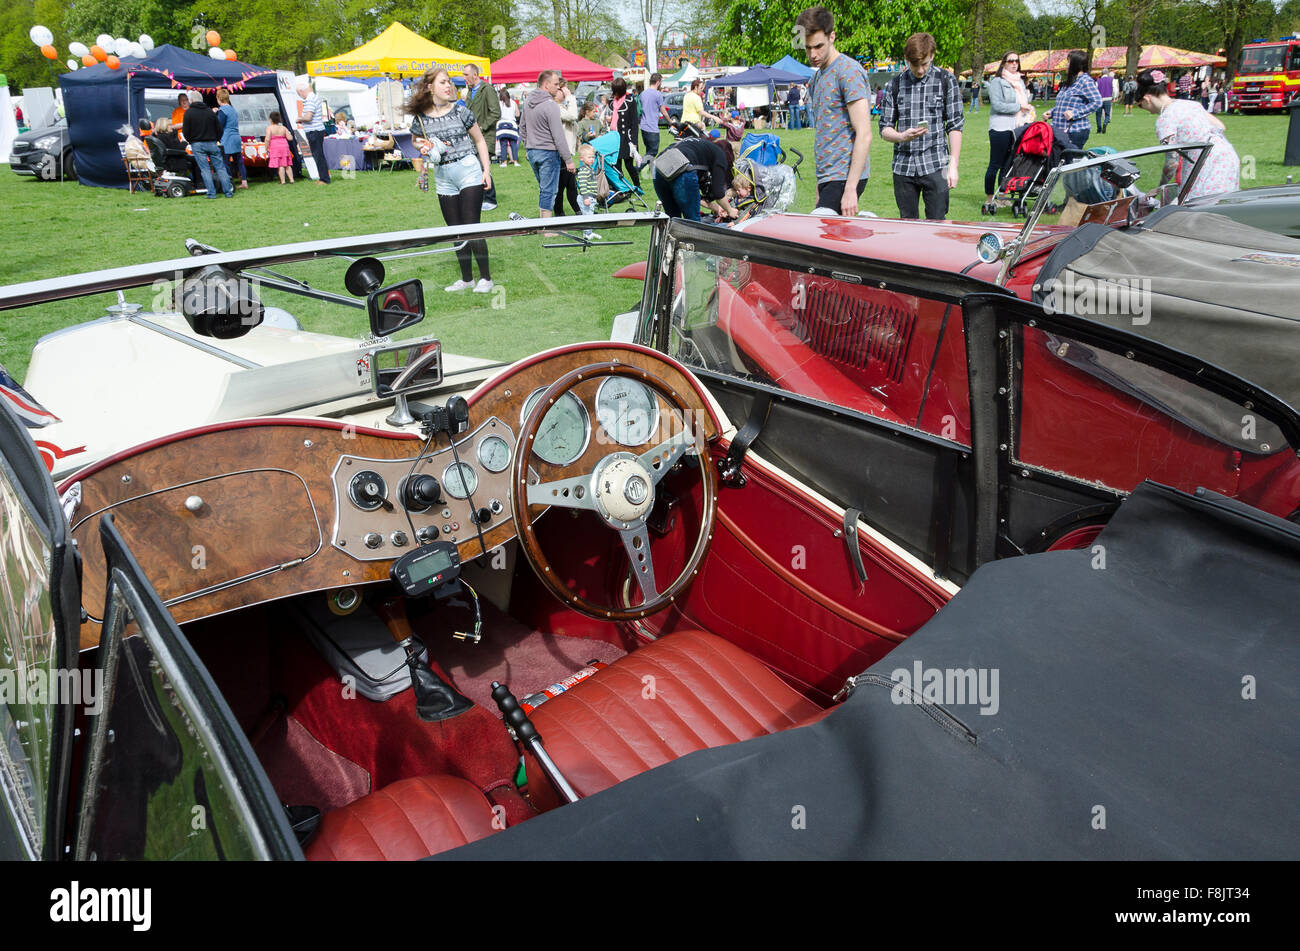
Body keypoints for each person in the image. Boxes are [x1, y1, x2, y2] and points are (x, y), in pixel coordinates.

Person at [407, 67, 494, 293]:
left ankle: (486, 278)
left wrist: (486, 170)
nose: (449, 86)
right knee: (454, 230)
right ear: (430, 88)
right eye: (443, 82)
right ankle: (467, 279)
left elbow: (480, 141)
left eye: (449, 82)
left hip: (468, 171)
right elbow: (415, 140)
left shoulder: (461, 111)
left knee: (471, 227)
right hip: (443, 176)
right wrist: (424, 145)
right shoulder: (421, 118)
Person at [796, 6, 872, 216]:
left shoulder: (848, 71)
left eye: (818, 46)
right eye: (807, 48)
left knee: (820, 239)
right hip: (829, 177)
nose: (813, 54)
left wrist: (850, 188)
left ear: (832, 37)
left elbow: (864, 134)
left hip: (845, 177)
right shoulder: (817, 77)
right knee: (829, 238)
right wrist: (822, 187)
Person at [879, 32, 963, 220]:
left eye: (924, 64)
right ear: (906, 59)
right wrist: (901, 136)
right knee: (908, 228)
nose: (919, 70)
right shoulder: (895, 85)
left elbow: (955, 126)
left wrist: (953, 165)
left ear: (932, 55)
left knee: (937, 226)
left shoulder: (946, 81)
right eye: (914, 64)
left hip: (936, 164)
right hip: (903, 167)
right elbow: (884, 128)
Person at [1134, 68, 1239, 201]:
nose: (1148, 111)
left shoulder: (1165, 119)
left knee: (1198, 205)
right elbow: (1220, 126)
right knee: (1223, 204)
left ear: (1147, 99)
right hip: (1227, 154)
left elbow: (1172, 162)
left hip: (1206, 162)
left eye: (1142, 106)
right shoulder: (1190, 104)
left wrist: (1161, 187)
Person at [519, 70, 574, 226]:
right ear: (546, 84)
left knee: (544, 189)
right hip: (548, 153)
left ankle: (543, 222)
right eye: (556, 84)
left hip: (533, 152)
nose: (558, 88)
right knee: (549, 191)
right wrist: (568, 160)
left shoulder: (528, 101)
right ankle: (547, 229)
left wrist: (528, 145)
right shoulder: (551, 106)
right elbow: (558, 136)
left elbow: (522, 127)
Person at [983, 51, 1035, 215]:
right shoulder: (997, 82)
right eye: (1010, 61)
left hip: (1016, 128)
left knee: (1009, 164)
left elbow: (1024, 101)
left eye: (1016, 61)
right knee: (995, 164)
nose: (1014, 64)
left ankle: (1003, 195)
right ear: (1003, 63)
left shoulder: (1019, 81)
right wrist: (1019, 107)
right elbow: (997, 105)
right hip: (1000, 127)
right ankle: (990, 197)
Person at [653, 137, 739, 221]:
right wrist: (730, 211)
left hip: (659, 169)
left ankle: (669, 235)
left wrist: (717, 208)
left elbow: (695, 196)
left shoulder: (700, 147)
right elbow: (718, 194)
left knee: (673, 219)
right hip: (683, 169)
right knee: (693, 222)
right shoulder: (720, 154)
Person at [462, 63, 500, 210]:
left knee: (482, 167)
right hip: (471, 137)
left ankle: (490, 199)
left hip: (484, 136)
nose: (464, 77)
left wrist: (482, 127)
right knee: (475, 167)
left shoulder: (487, 89)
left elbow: (496, 112)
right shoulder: (471, 91)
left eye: (466, 74)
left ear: (475, 74)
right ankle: (480, 197)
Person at [182, 92, 234, 198]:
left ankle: (211, 193)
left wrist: (190, 141)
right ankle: (228, 192)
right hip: (212, 143)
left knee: (205, 169)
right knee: (220, 168)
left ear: (191, 100)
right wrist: (216, 139)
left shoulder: (188, 113)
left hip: (197, 144)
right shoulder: (210, 112)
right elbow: (219, 129)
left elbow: (186, 131)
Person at [1046, 50, 1101, 150]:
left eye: (1068, 62)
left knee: (1069, 162)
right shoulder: (1071, 81)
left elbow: (1097, 102)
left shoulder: (1085, 81)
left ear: (1076, 64)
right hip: (1059, 130)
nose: (1066, 65)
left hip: (1074, 131)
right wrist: (1052, 112)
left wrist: (1075, 113)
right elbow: (1065, 104)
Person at [553, 78, 582, 215]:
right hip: (559, 152)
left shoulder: (561, 107)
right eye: (561, 89)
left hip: (566, 152)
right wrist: (570, 96)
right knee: (560, 186)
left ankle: (578, 211)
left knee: (570, 184)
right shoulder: (554, 107)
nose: (564, 92)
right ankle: (560, 214)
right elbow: (572, 116)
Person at [608, 76, 641, 190]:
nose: (614, 94)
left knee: (629, 165)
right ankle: (621, 187)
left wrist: (634, 142)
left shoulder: (630, 101)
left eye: (616, 91)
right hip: (615, 138)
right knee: (616, 165)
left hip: (627, 138)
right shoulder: (612, 102)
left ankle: (637, 185)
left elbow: (634, 123)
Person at [296, 79, 330, 185]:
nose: (300, 96)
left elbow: (309, 117)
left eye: (299, 94)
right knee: (319, 155)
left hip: (313, 131)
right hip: (317, 130)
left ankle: (324, 179)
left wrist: (299, 119)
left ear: (302, 91)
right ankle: (323, 177)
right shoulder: (314, 97)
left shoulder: (309, 100)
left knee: (318, 155)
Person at [214, 88, 248, 190]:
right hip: (236, 136)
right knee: (239, 161)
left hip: (227, 138)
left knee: (226, 162)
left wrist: (215, 114)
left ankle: (229, 183)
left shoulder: (222, 110)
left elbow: (220, 125)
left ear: (218, 98)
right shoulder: (233, 109)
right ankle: (244, 182)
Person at [575, 142, 603, 239]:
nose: (592, 159)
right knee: (588, 216)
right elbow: (582, 185)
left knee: (589, 215)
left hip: (591, 197)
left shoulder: (589, 169)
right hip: (585, 197)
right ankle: (588, 234)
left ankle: (588, 233)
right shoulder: (583, 171)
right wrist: (586, 197)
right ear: (582, 159)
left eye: (593, 157)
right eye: (589, 157)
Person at [639, 73, 669, 158]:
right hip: (652, 127)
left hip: (643, 127)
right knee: (653, 152)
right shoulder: (658, 94)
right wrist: (670, 122)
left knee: (648, 151)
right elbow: (663, 111)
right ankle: (638, 168)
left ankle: (651, 171)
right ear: (658, 82)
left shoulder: (643, 94)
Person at [265, 111, 294, 184]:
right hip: (284, 146)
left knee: (280, 165)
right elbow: (290, 138)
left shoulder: (270, 128)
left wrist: (266, 148)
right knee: (287, 164)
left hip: (275, 147)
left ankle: (283, 181)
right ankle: (291, 180)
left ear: (271, 119)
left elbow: (267, 139)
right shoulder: (283, 128)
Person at [496, 88, 520, 165]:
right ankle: (515, 161)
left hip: (502, 125)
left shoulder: (499, 103)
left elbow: (496, 114)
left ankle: (504, 162)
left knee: (503, 144)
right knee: (513, 144)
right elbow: (517, 114)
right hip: (512, 125)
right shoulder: (513, 103)